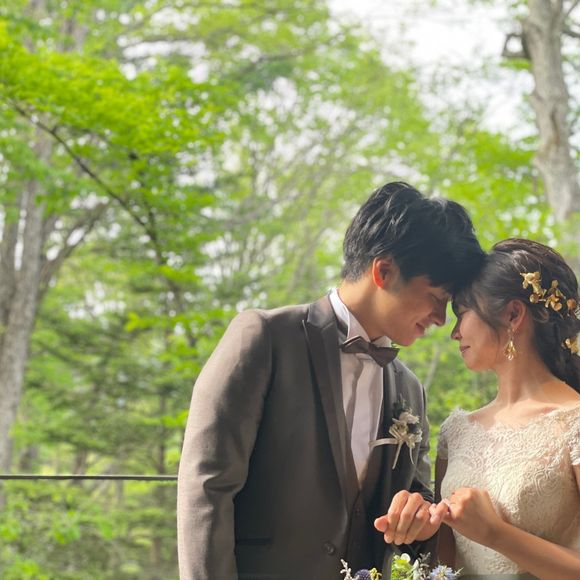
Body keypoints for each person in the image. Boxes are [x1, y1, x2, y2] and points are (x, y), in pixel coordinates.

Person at [177, 181, 485, 579]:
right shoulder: (264, 338)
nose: (441, 319)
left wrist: (419, 514)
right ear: (384, 271)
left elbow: (416, 502)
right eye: (436, 298)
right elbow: (206, 488)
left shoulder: (410, 390)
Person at [434, 238, 580, 579]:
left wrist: (496, 534)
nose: (454, 333)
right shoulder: (455, 431)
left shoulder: (574, 422)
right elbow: (443, 559)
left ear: (513, 314)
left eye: (462, 313)